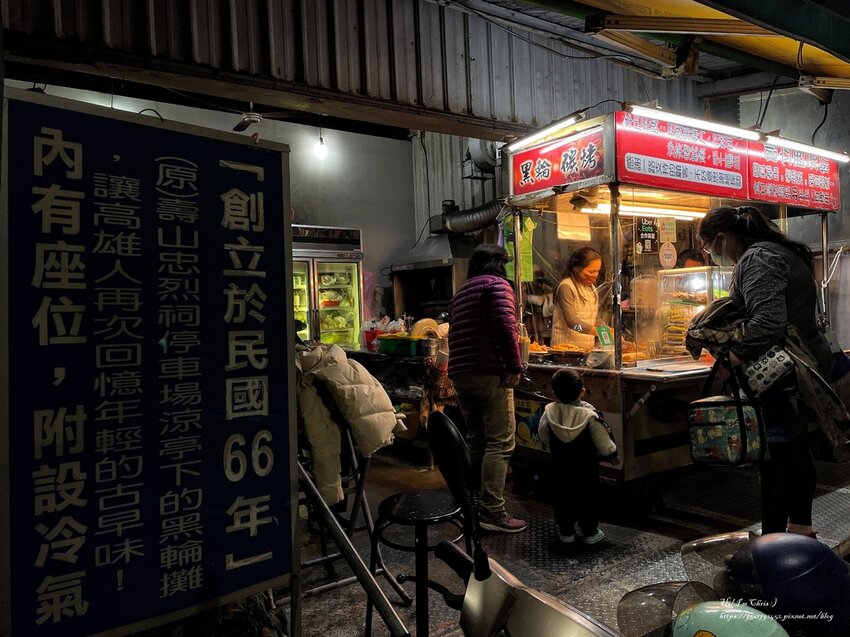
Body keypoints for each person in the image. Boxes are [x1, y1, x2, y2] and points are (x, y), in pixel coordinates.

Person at [698, 205, 833, 537]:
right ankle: (798, 530)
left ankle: (774, 539)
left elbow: (768, 322)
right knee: (793, 451)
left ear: (722, 238)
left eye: (708, 246)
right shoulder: (779, 252)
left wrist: (733, 358)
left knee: (775, 458)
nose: (711, 254)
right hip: (797, 365)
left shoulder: (758, 259)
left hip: (781, 372)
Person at [448, 244, 527, 533]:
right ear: (499, 265)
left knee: (477, 440)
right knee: (501, 442)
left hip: (461, 374)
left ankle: (475, 504)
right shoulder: (497, 286)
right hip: (488, 372)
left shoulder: (462, 292)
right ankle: (493, 511)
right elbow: (506, 328)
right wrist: (514, 367)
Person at [538, 368, 618, 545]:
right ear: (582, 391)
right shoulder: (589, 415)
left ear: (553, 392)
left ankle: (566, 532)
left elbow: (543, 433)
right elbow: (602, 439)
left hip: (560, 466)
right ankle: (590, 532)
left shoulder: (550, 412)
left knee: (562, 496)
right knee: (588, 497)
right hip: (586, 468)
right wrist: (612, 454)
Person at [551, 247, 603, 350]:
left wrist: (607, 330)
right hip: (566, 351)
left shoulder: (591, 289)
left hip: (586, 350)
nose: (595, 275)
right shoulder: (566, 287)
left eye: (597, 271)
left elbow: (592, 319)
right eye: (591, 271)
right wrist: (599, 332)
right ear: (577, 269)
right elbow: (573, 323)